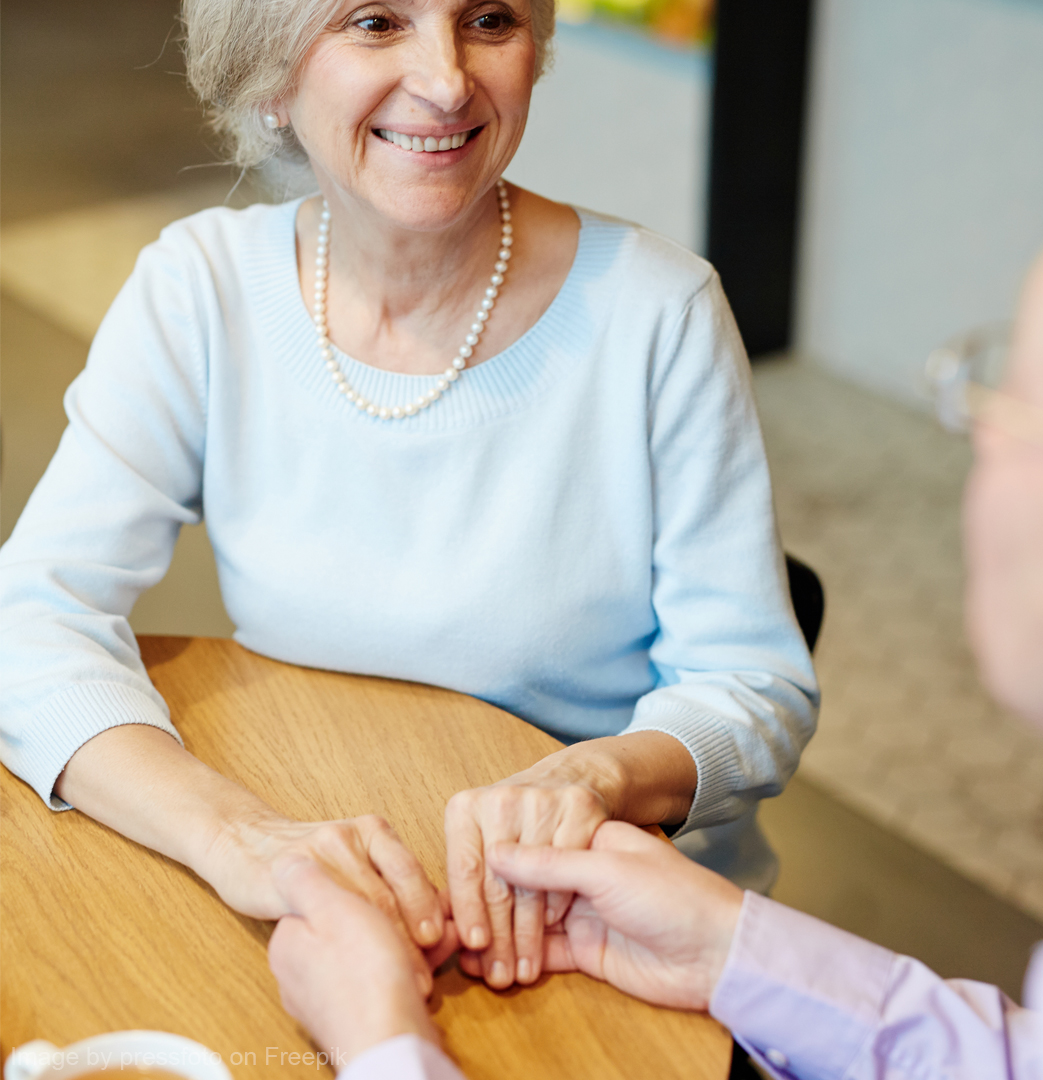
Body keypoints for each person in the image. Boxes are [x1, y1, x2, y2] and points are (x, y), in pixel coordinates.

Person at [0, 0, 817, 992]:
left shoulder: (657, 313)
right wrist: (239, 837)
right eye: (377, 21)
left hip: (595, 927)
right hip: (329, 869)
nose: (445, 79)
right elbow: (31, 616)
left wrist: (599, 773)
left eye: (489, 17)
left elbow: (754, 689)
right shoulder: (200, 289)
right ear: (271, 77)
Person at [263, 194, 1043, 1078]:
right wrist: (729, 947)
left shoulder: (661, 306)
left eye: (1017, 396)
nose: (980, 442)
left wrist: (382, 1042)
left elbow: (747, 680)